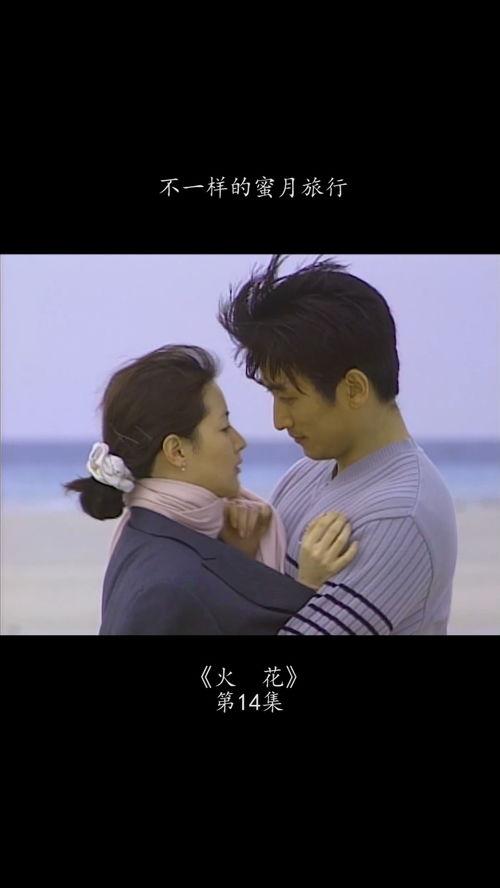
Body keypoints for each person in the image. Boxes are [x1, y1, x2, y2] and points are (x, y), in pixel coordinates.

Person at [218, 255, 458, 635]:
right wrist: (242, 554)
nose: (279, 420)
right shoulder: (306, 473)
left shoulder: (398, 516)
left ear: (354, 389)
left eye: (289, 397)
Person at [65, 344, 357, 634]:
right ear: (177, 451)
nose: (239, 441)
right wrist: (309, 587)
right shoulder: (165, 586)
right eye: (224, 428)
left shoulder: (151, 534)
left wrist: (238, 556)